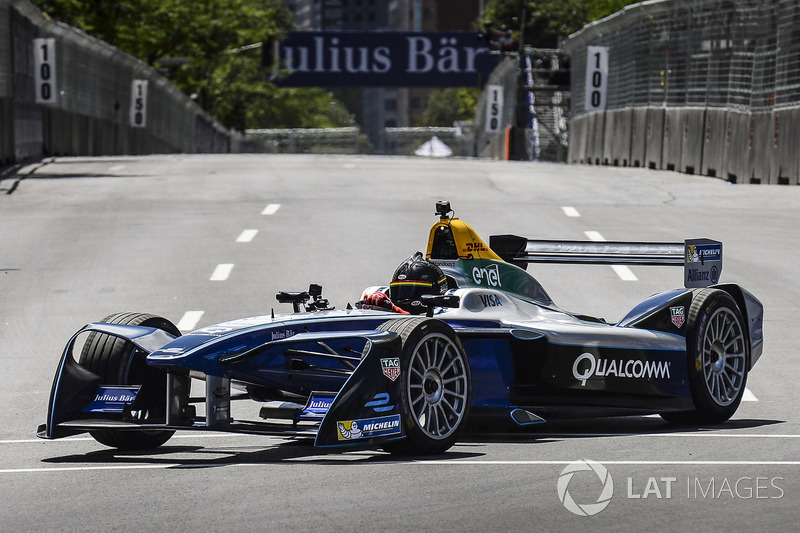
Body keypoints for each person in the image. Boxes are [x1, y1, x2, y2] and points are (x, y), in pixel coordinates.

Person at [358, 252, 448, 314]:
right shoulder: (389, 305)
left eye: (409, 291)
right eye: (399, 291)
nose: (402, 299)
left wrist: (394, 310)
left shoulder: (447, 315)